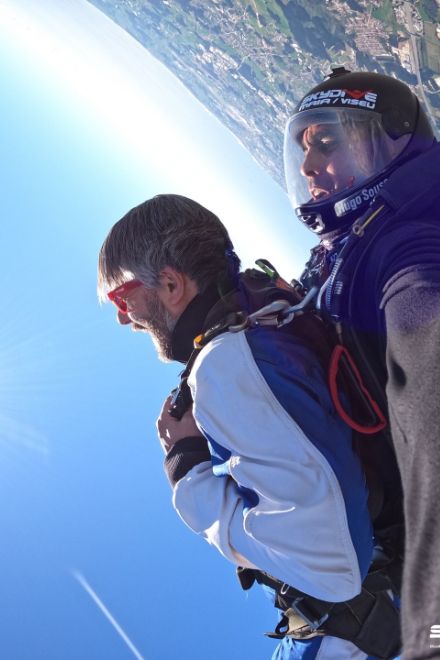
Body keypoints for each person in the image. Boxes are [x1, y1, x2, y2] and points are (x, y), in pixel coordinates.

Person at [97, 194, 399, 659]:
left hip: (363, 625)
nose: (123, 316)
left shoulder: (226, 367)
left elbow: (333, 570)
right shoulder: (272, 309)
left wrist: (187, 469)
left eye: (123, 296)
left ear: (172, 284)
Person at [283, 67, 440, 660]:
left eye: (326, 142)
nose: (307, 167)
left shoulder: (408, 246)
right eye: (303, 147)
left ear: (387, 140)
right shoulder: (355, 244)